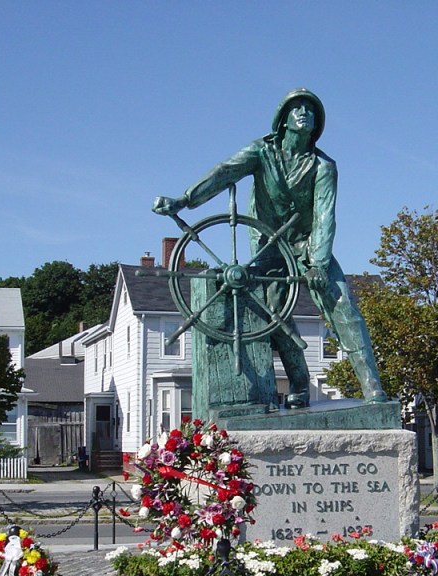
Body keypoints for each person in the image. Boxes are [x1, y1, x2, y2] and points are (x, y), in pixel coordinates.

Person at [152, 88, 387, 407]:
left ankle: (373, 390)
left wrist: (317, 262)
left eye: (310, 109)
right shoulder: (261, 152)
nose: (304, 112)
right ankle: (300, 386)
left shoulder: (324, 167)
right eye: (297, 108)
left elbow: (324, 216)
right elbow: (225, 172)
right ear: (283, 119)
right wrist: (186, 200)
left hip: (308, 244)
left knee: (344, 306)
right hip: (269, 245)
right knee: (276, 314)